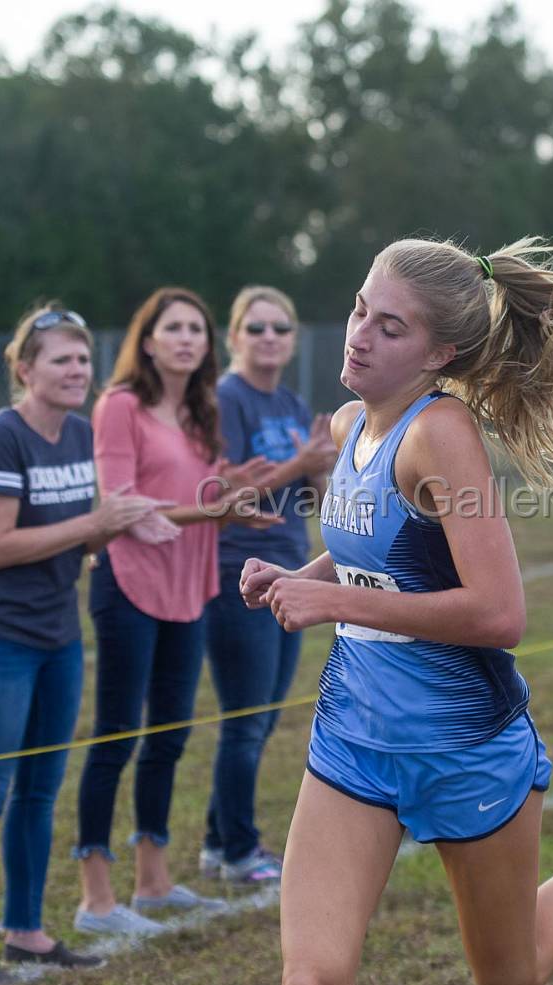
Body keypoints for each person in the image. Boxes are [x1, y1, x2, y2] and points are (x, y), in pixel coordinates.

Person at [241, 237, 553, 985]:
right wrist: (296, 576)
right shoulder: (345, 427)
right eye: (362, 310)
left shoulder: (442, 435)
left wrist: (329, 602)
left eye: (392, 328)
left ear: (443, 353)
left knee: (511, 977)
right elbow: (382, 552)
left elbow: (499, 614)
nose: (360, 333)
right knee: (311, 982)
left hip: (465, 746)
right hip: (354, 738)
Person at [0, 304, 175, 985]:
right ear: (24, 370)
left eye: (83, 359)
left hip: (59, 634)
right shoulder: (1, 437)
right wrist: (95, 523)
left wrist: (127, 527)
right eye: (60, 360)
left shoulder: (80, 434)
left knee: (40, 791)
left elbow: (84, 533)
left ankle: (26, 931)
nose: (78, 371)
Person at [72, 287, 280, 936]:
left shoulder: (201, 413)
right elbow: (125, 505)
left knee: (169, 737)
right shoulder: (119, 406)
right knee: (116, 737)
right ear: (149, 340)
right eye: (174, 327)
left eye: (197, 328)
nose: (188, 337)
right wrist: (211, 510)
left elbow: (201, 493)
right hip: (128, 584)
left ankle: (154, 883)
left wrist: (232, 491)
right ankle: (97, 900)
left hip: (190, 587)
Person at [199, 286, 338, 885]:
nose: (269, 338)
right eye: (255, 328)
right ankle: (238, 851)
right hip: (239, 572)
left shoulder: (288, 400)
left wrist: (325, 467)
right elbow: (220, 500)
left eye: (280, 328)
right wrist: (300, 464)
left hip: (290, 567)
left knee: (261, 716)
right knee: (246, 718)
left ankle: (216, 840)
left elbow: (310, 496)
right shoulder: (224, 400)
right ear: (233, 337)